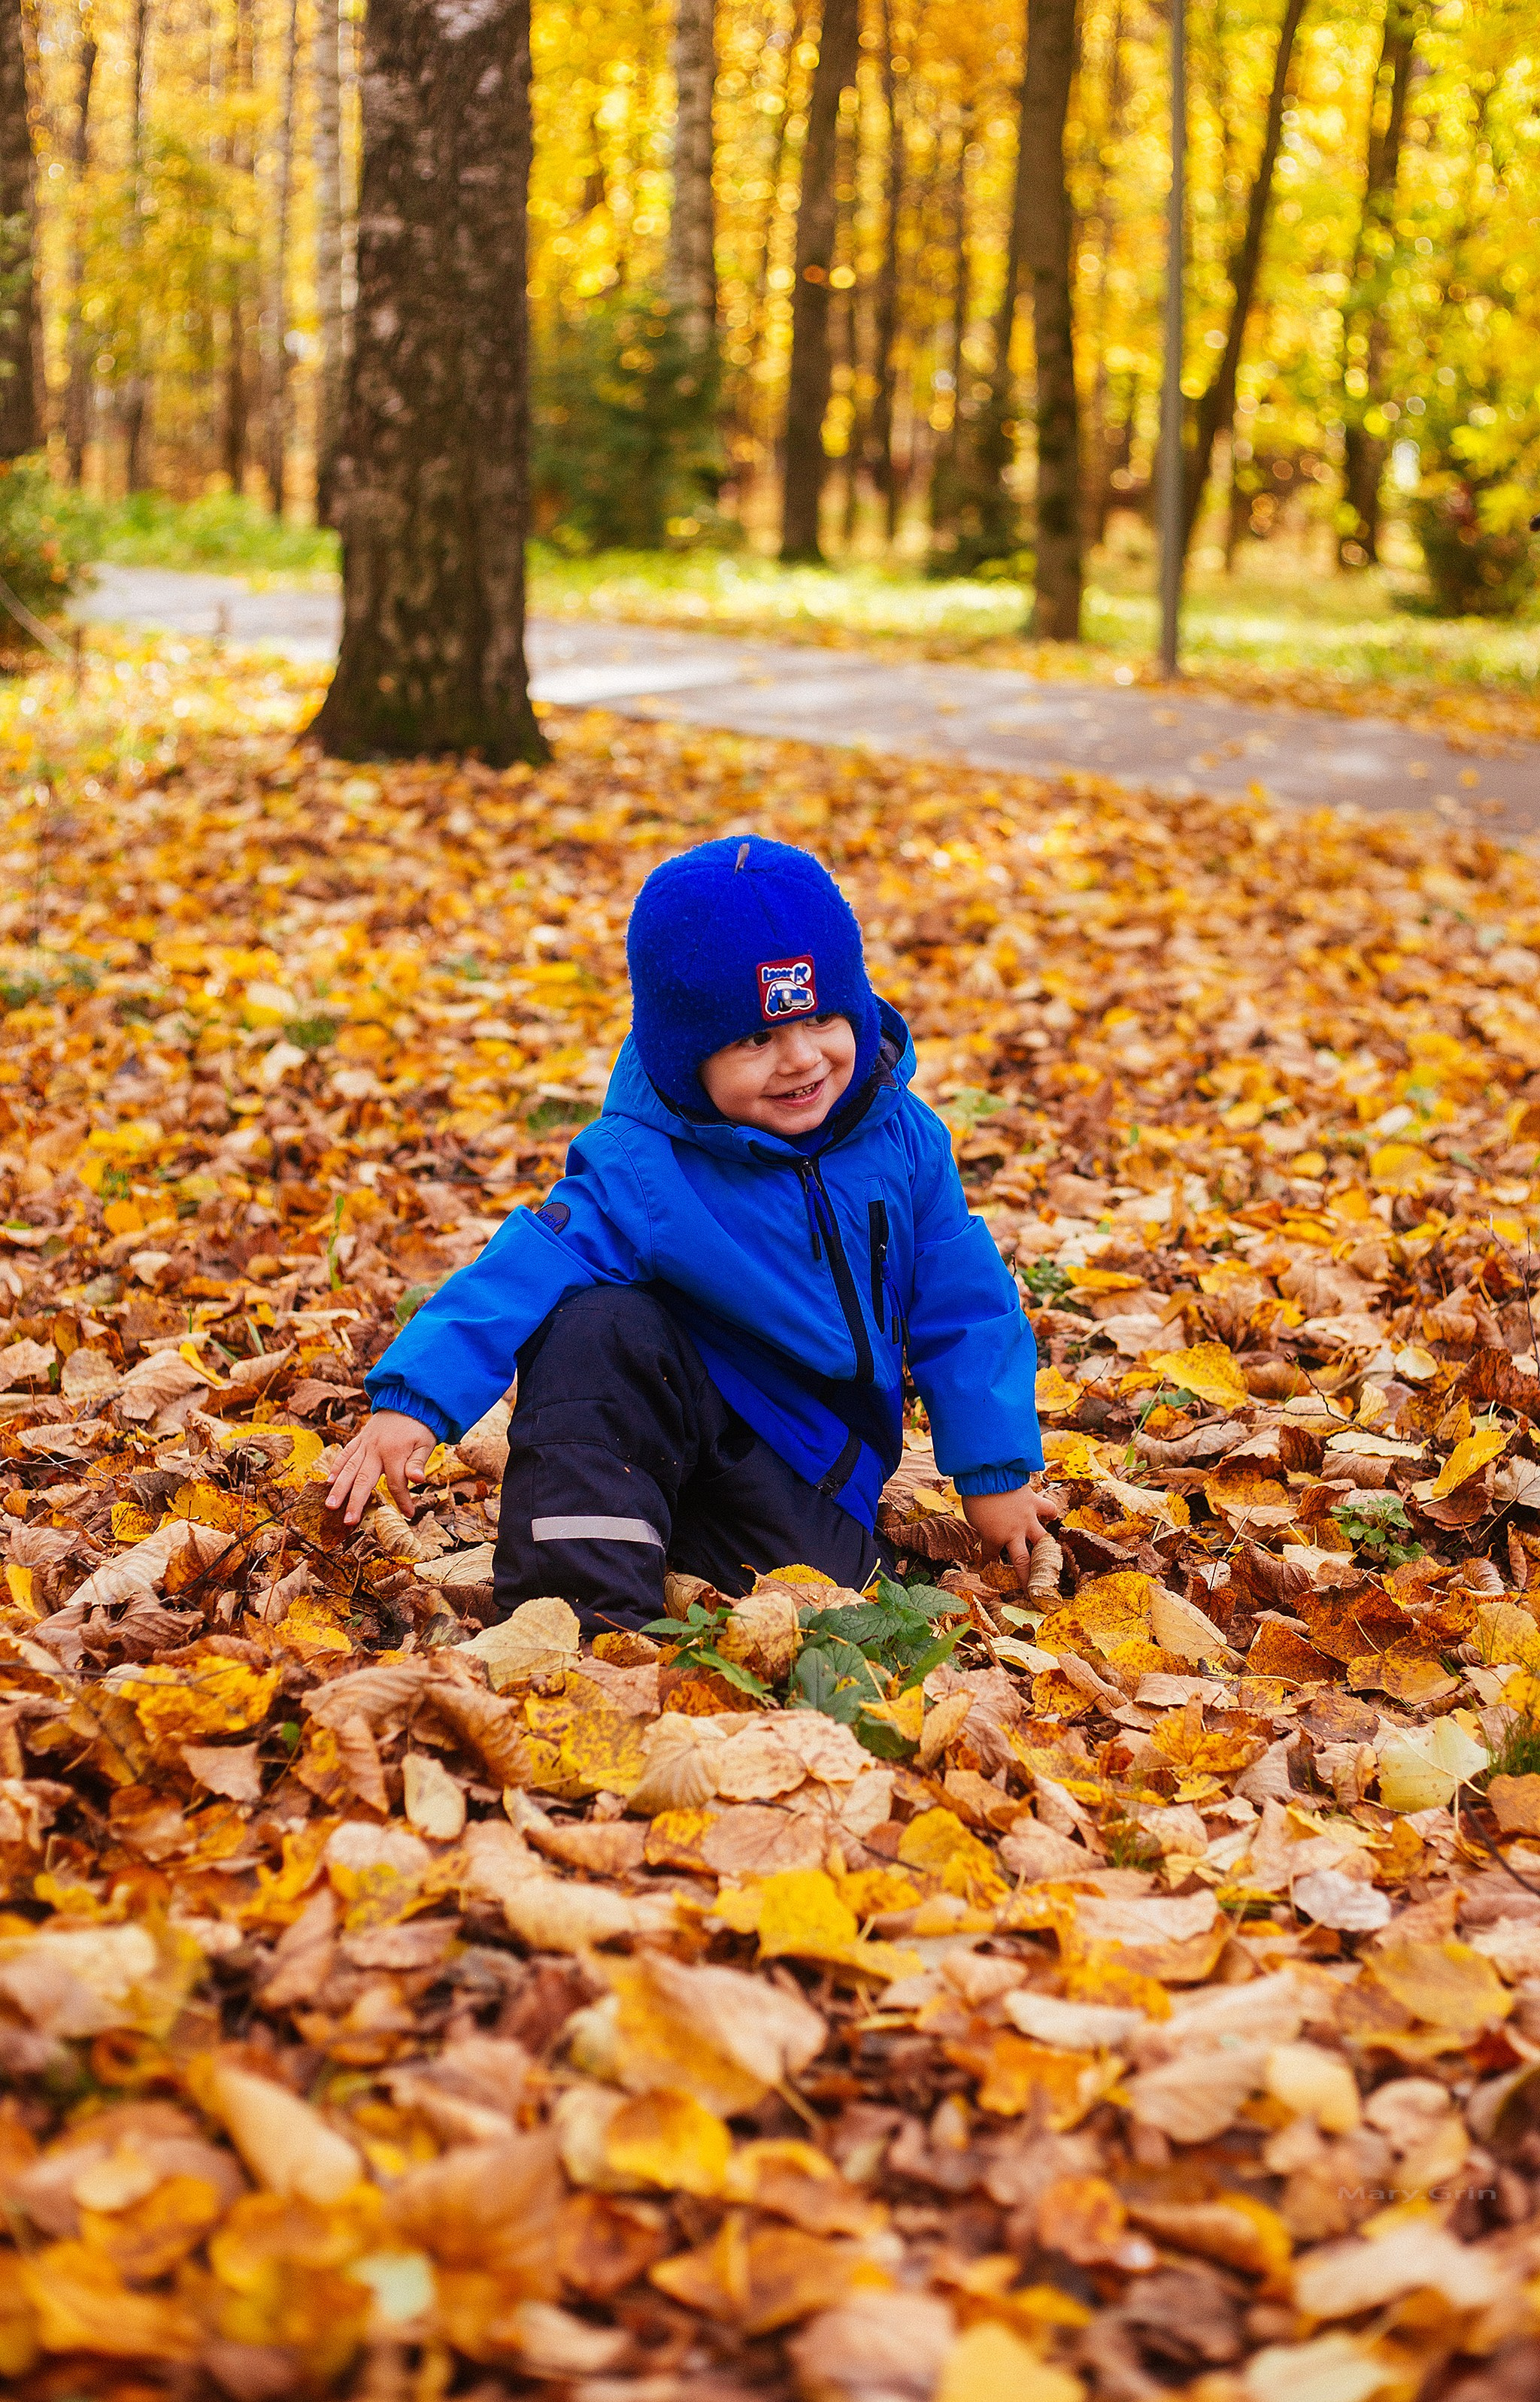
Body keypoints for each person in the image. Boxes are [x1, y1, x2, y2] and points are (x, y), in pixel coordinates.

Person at [326, 836, 1057, 1629]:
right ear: (684, 1058)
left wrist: (995, 1474)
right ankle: (576, 1619)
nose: (800, 1058)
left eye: (820, 1018)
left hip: (808, 1472)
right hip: (656, 1438)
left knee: (825, 1594)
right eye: (755, 1038)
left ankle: (697, 1561)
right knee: (592, 1325)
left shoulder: (902, 1142)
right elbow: (525, 1264)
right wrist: (416, 1399)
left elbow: (966, 1309)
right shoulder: (641, 1163)